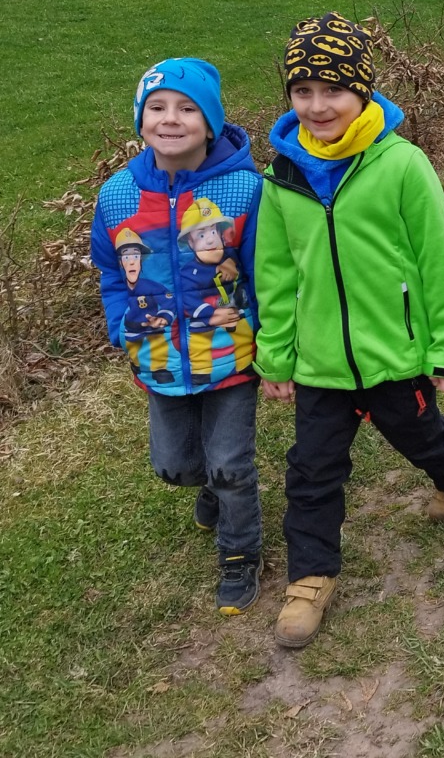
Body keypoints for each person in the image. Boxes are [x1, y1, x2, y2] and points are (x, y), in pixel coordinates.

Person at [255, 12, 444, 649]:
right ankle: (310, 578)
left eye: (333, 89)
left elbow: (437, 261)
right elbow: (274, 274)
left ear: (362, 90)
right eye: (303, 91)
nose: (317, 106)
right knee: (312, 469)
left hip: (396, 351)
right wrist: (276, 355)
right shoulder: (281, 177)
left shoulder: (402, 165)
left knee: (421, 435)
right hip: (321, 362)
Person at [91, 58, 263, 616]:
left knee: (231, 465)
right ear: (140, 120)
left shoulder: (244, 190)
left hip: (231, 354)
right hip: (158, 355)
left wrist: (263, 332)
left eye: (188, 109)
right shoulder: (117, 196)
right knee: (175, 466)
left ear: (211, 123)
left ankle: (240, 555)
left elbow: (266, 271)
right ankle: (207, 484)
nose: (171, 119)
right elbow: (111, 271)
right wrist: (119, 325)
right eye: (157, 107)